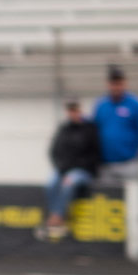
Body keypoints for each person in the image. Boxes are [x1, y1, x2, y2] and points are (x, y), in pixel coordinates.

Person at [42, 100, 100, 239]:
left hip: (83, 171)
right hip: (63, 169)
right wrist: (61, 168)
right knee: (50, 183)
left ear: (80, 110)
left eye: (75, 110)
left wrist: (75, 168)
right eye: (70, 110)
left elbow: (94, 154)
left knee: (69, 183)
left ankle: (57, 219)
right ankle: (56, 216)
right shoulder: (63, 129)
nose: (73, 113)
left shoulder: (89, 129)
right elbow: (53, 151)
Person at [92, 66, 138, 181]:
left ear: (125, 84)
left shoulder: (136, 105)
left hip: (129, 165)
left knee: (131, 197)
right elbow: (94, 132)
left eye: (119, 83)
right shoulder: (101, 106)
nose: (116, 87)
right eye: (113, 83)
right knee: (108, 197)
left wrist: (137, 157)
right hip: (106, 166)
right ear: (108, 84)